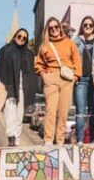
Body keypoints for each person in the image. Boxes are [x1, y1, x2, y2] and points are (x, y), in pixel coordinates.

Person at [34, 16, 81, 145]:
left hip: (66, 79)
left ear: (60, 28)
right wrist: (44, 75)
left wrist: (75, 77)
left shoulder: (69, 43)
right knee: (51, 111)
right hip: (51, 78)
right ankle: (48, 140)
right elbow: (38, 63)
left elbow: (77, 61)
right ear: (47, 30)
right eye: (51, 28)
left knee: (63, 112)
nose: (54, 29)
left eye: (56, 27)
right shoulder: (45, 45)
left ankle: (60, 140)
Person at [0, 28, 38, 147]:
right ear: (14, 37)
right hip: (9, 86)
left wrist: (33, 90)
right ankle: (11, 136)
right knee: (10, 113)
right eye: (19, 36)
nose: (21, 39)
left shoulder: (29, 54)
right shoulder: (5, 50)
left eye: (24, 38)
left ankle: (17, 141)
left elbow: (33, 73)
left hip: (24, 88)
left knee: (19, 115)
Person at [73, 16, 94, 144]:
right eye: (85, 25)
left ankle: (92, 139)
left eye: (90, 25)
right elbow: (71, 58)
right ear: (82, 26)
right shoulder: (76, 41)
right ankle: (80, 140)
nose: (88, 27)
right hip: (81, 79)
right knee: (80, 112)